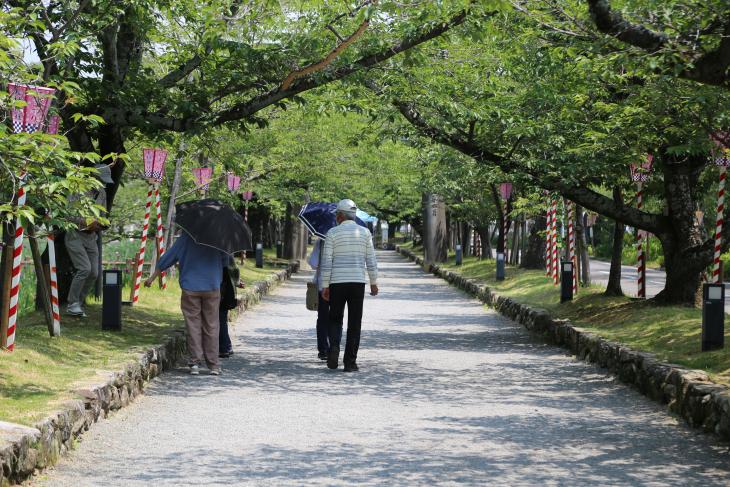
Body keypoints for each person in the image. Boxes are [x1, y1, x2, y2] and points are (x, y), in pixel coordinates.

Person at [145, 232, 228, 376]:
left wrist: (152, 278)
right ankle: (214, 365)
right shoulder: (218, 238)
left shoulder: (186, 238)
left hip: (190, 286)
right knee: (212, 325)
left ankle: (195, 363)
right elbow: (225, 262)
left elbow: (168, 258)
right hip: (212, 286)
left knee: (193, 325)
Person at [320, 199, 379, 372]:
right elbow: (371, 260)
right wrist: (374, 282)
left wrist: (325, 285)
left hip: (337, 283)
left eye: (336, 215)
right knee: (354, 322)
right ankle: (350, 362)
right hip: (357, 283)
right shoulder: (365, 233)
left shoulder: (332, 233)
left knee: (335, 319)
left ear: (340, 215)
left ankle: (334, 349)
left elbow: (327, 261)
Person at [65, 164, 112, 317]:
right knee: (84, 268)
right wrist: (86, 222)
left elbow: (103, 215)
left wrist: (101, 224)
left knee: (94, 272)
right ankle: (72, 303)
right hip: (75, 234)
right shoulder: (77, 189)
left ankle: (78, 303)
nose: (102, 183)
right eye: (100, 179)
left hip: (91, 236)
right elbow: (67, 214)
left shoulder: (102, 193)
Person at [307, 238, 329, 361]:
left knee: (322, 318)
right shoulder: (345, 238)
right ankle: (334, 346)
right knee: (336, 318)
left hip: (322, 286)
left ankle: (323, 350)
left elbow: (314, 263)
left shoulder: (321, 241)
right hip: (339, 284)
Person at [219, 257, 244, 358]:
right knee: (222, 318)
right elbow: (235, 269)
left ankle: (224, 348)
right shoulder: (226, 248)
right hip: (227, 288)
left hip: (220, 288)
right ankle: (227, 346)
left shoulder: (218, 251)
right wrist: (237, 282)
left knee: (219, 318)